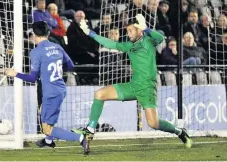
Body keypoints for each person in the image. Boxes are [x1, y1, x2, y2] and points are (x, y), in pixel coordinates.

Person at [72, 14, 192, 154]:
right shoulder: (129, 46)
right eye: (127, 31)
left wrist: (146, 28)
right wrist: (90, 33)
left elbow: (160, 38)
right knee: (99, 94)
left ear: (138, 30)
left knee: (153, 123)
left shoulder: (148, 41)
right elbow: (110, 43)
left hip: (147, 88)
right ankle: (90, 130)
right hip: (133, 86)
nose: (128, 34)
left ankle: (179, 131)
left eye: (130, 31)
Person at [5, 21, 88, 154]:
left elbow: (32, 78)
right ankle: (48, 141)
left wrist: (14, 73)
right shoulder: (57, 47)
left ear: (33, 34)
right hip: (61, 89)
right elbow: (70, 65)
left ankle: (80, 137)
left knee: (46, 128)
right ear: (48, 33)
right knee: (45, 114)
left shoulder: (36, 52)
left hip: (50, 92)